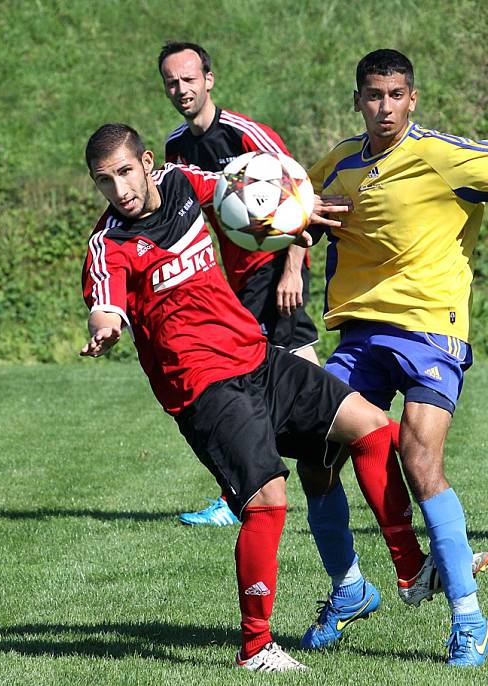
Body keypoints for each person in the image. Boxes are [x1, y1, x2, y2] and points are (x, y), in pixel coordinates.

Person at [80, 123, 403, 672]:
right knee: (268, 502)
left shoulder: (182, 182)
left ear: (147, 163)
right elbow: (104, 302)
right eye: (105, 182)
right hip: (202, 388)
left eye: (126, 173)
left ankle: (411, 570)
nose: (120, 190)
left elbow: (247, 185)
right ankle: (256, 647)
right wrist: (106, 324)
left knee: (373, 425)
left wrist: (298, 211)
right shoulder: (109, 245)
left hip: (257, 357)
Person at [307, 49, 488, 666]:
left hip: (431, 329)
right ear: (357, 100)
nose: (385, 106)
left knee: (419, 455)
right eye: (374, 95)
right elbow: (299, 209)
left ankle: (470, 619)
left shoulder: (442, 154)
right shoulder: (341, 162)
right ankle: (349, 591)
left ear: (413, 98)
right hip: (360, 335)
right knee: (317, 461)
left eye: (396, 94)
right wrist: (290, 231)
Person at [158, 41, 320, 527]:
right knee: (300, 374)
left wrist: (293, 269)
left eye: (189, 79)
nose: (181, 88)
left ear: (209, 79)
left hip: (275, 273)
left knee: (244, 381)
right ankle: (352, 442)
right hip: (234, 281)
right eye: (172, 81)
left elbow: (302, 194)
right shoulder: (174, 147)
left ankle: (239, 496)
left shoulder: (246, 133)